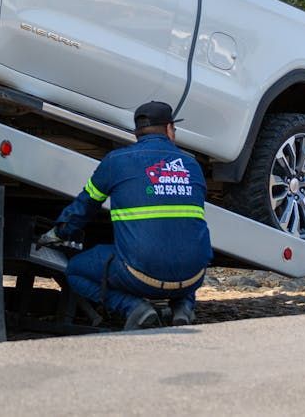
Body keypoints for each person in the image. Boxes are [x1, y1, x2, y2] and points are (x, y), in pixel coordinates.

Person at [38, 101, 213, 330]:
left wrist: (58, 232)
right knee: (181, 248)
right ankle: (183, 308)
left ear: (136, 132)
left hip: (139, 277)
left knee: (76, 271)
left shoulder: (116, 162)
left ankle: (133, 308)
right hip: (194, 276)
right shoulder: (192, 165)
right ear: (170, 129)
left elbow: (84, 207)